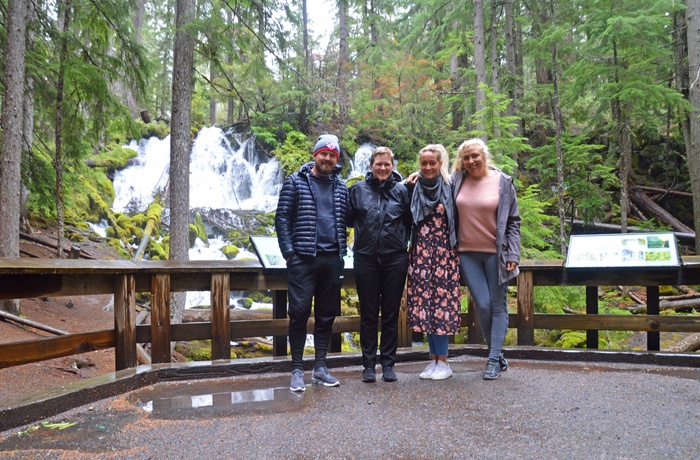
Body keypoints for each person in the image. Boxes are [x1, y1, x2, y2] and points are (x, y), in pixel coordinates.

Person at [275, 134, 350, 392]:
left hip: (332, 259)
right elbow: (282, 219)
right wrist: (290, 254)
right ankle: (297, 369)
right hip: (303, 260)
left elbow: (353, 217)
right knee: (298, 314)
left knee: (327, 315)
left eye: (332, 155)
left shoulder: (341, 188)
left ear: (336, 159)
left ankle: (320, 368)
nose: (327, 158)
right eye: (323, 153)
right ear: (315, 154)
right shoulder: (295, 182)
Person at [451, 138, 520, 380]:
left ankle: (492, 359)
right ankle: (497, 353)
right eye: (466, 157)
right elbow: (434, 172)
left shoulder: (502, 182)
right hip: (467, 253)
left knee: (498, 305)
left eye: (475, 156)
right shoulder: (457, 180)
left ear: (484, 156)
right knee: (482, 304)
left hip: (496, 253)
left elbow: (513, 221)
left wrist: (513, 254)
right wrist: (416, 174)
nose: (470, 161)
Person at [348, 147, 412, 383]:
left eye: (387, 164)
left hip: (395, 258)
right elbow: (346, 219)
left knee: (391, 314)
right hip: (365, 259)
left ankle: (388, 364)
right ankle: (367, 365)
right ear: (371, 165)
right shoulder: (357, 190)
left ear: (392, 165)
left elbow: (410, 221)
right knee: (368, 314)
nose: (383, 168)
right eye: (378, 164)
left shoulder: (402, 191)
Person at [406, 144, 461, 381]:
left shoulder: (451, 186)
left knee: (441, 307)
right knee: (425, 306)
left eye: (432, 163)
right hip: (420, 254)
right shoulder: (413, 186)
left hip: (444, 255)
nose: (428, 167)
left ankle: (445, 361)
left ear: (441, 164)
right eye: (424, 163)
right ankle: (433, 359)